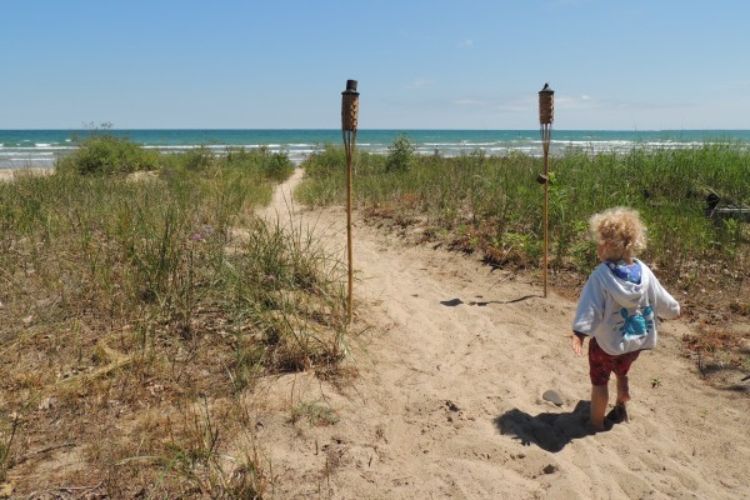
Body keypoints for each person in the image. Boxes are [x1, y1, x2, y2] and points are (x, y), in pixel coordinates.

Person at [571, 207, 680, 431]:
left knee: (600, 382)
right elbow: (662, 299)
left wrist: (580, 332)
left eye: (600, 242)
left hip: (607, 345)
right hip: (635, 343)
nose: (598, 247)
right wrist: (674, 310)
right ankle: (622, 397)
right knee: (622, 369)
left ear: (608, 246)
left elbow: (590, 306)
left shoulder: (601, 276)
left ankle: (596, 423)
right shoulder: (644, 271)